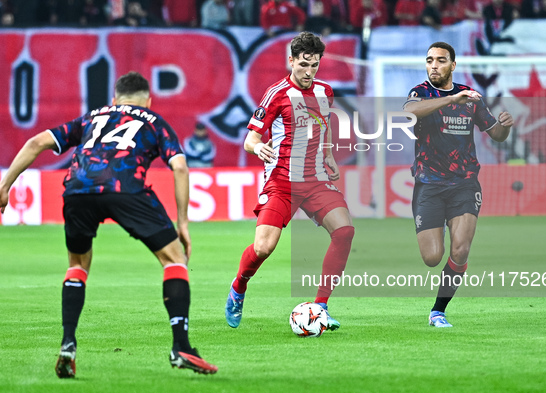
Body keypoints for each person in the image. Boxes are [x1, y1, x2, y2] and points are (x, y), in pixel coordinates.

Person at [0, 72, 217, 377]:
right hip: (125, 188)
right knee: (174, 260)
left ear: (114, 100)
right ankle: (181, 346)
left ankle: (68, 343)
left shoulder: (92, 117)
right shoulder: (154, 121)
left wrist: (5, 185)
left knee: (77, 263)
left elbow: (37, 142)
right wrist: (182, 222)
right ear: (148, 100)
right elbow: (179, 166)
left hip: (78, 188)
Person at [224, 32, 355, 331]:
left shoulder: (325, 91)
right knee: (263, 248)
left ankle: (320, 307)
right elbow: (251, 139)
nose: (309, 72)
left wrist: (330, 155)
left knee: (345, 231)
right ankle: (239, 287)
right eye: (304, 65)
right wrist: (258, 147)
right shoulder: (276, 94)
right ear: (291, 60)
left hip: (317, 180)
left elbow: (325, 123)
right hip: (282, 181)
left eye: (315, 65)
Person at [403, 42, 513, 328]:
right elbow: (410, 113)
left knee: (461, 250)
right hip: (428, 183)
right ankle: (436, 223)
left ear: (453, 65)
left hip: (464, 183)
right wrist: (452, 100)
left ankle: (438, 311)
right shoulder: (420, 93)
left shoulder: (472, 98)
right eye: (429, 60)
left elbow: (496, 134)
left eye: (441, 60)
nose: (434, 65)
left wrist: (504, 126)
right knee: (432, 257)